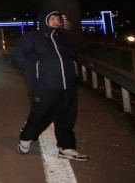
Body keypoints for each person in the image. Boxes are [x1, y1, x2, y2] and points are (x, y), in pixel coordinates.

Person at [12, 10, 89, 161]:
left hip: (68, 84)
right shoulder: (32, 37)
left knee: (67, 116)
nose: (56, 21)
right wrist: (35, 69)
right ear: (44, 20)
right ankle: (26, 138)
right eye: (52, 18)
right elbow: (18, 56)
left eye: (58, 19)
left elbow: (73, 55)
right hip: (44, 85)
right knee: (41, 114)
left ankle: (66, 147)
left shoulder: (65, 38)